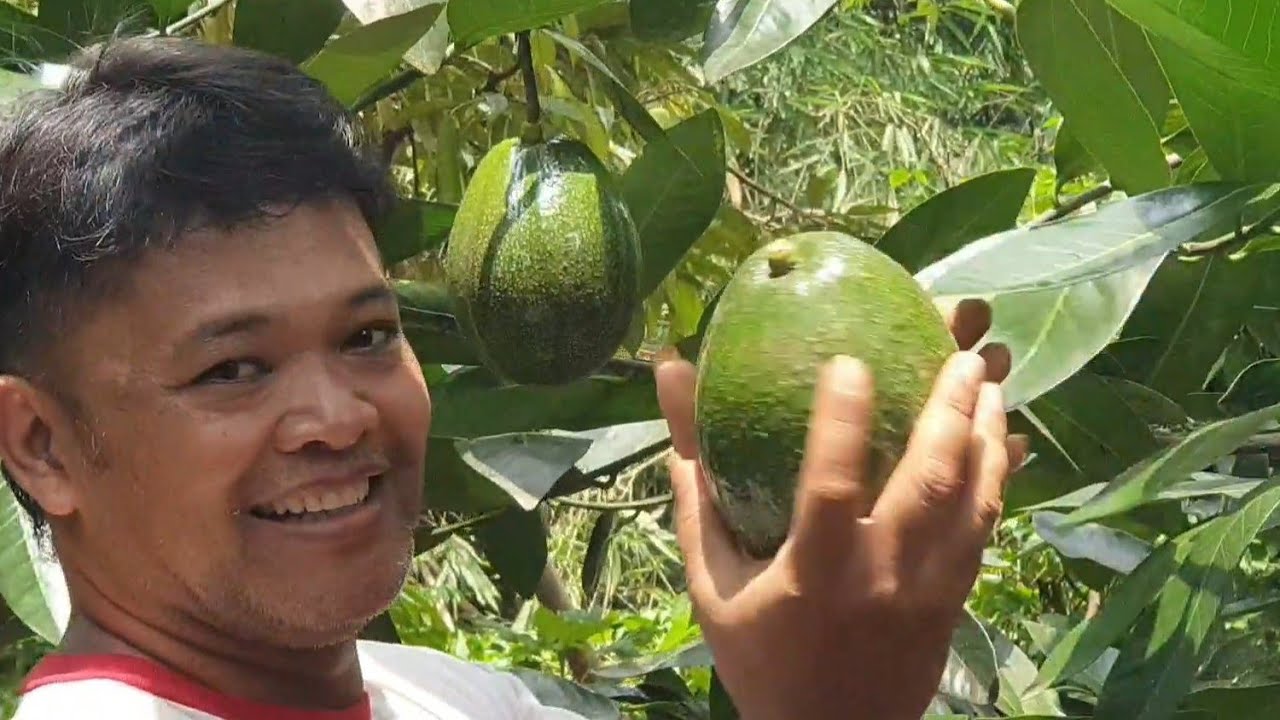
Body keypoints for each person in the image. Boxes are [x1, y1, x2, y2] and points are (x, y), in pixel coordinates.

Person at [0, 34, 1023, 720]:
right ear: (42, 446)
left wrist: (818, 605)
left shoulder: (469, 701)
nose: (335, 415)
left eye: (365, 338)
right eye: (232, 368)